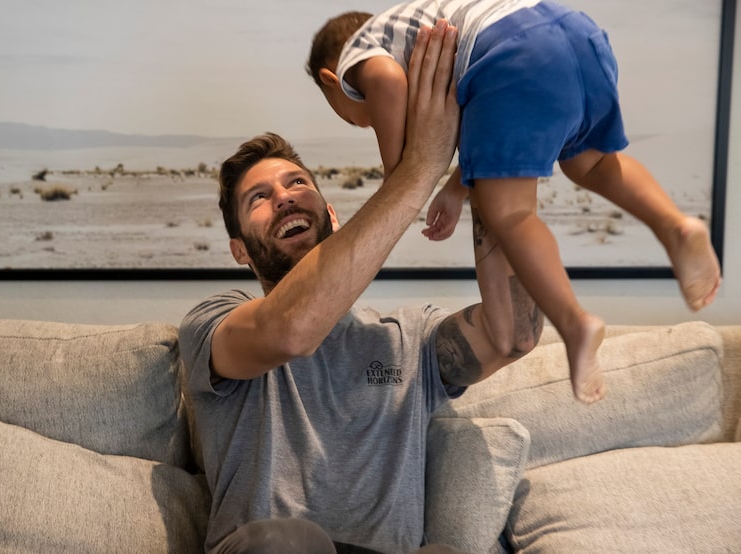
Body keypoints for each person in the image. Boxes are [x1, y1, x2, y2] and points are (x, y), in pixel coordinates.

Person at [180, 22, 543, 553]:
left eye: (297, 183)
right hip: (270, 549)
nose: (283, 197)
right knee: (293, 542)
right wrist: (420, 168)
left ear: (331, 213)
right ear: (239, 249)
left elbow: (514, 335)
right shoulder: (214, 324)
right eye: (259, 198)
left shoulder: (409, 338)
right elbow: (291, 330)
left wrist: (501, 155)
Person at [307, 0, 722, 404]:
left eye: (349, 116)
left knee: (512, 213)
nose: (362, 119)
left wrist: (397, 171)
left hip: (514, 52)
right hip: (575, 34)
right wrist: (454, 190)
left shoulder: (359, 54)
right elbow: (485, 130)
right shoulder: (422, 37)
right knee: (593, 165)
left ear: (332, 80)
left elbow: (388, 83)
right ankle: (677, 227)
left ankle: (574, 322)